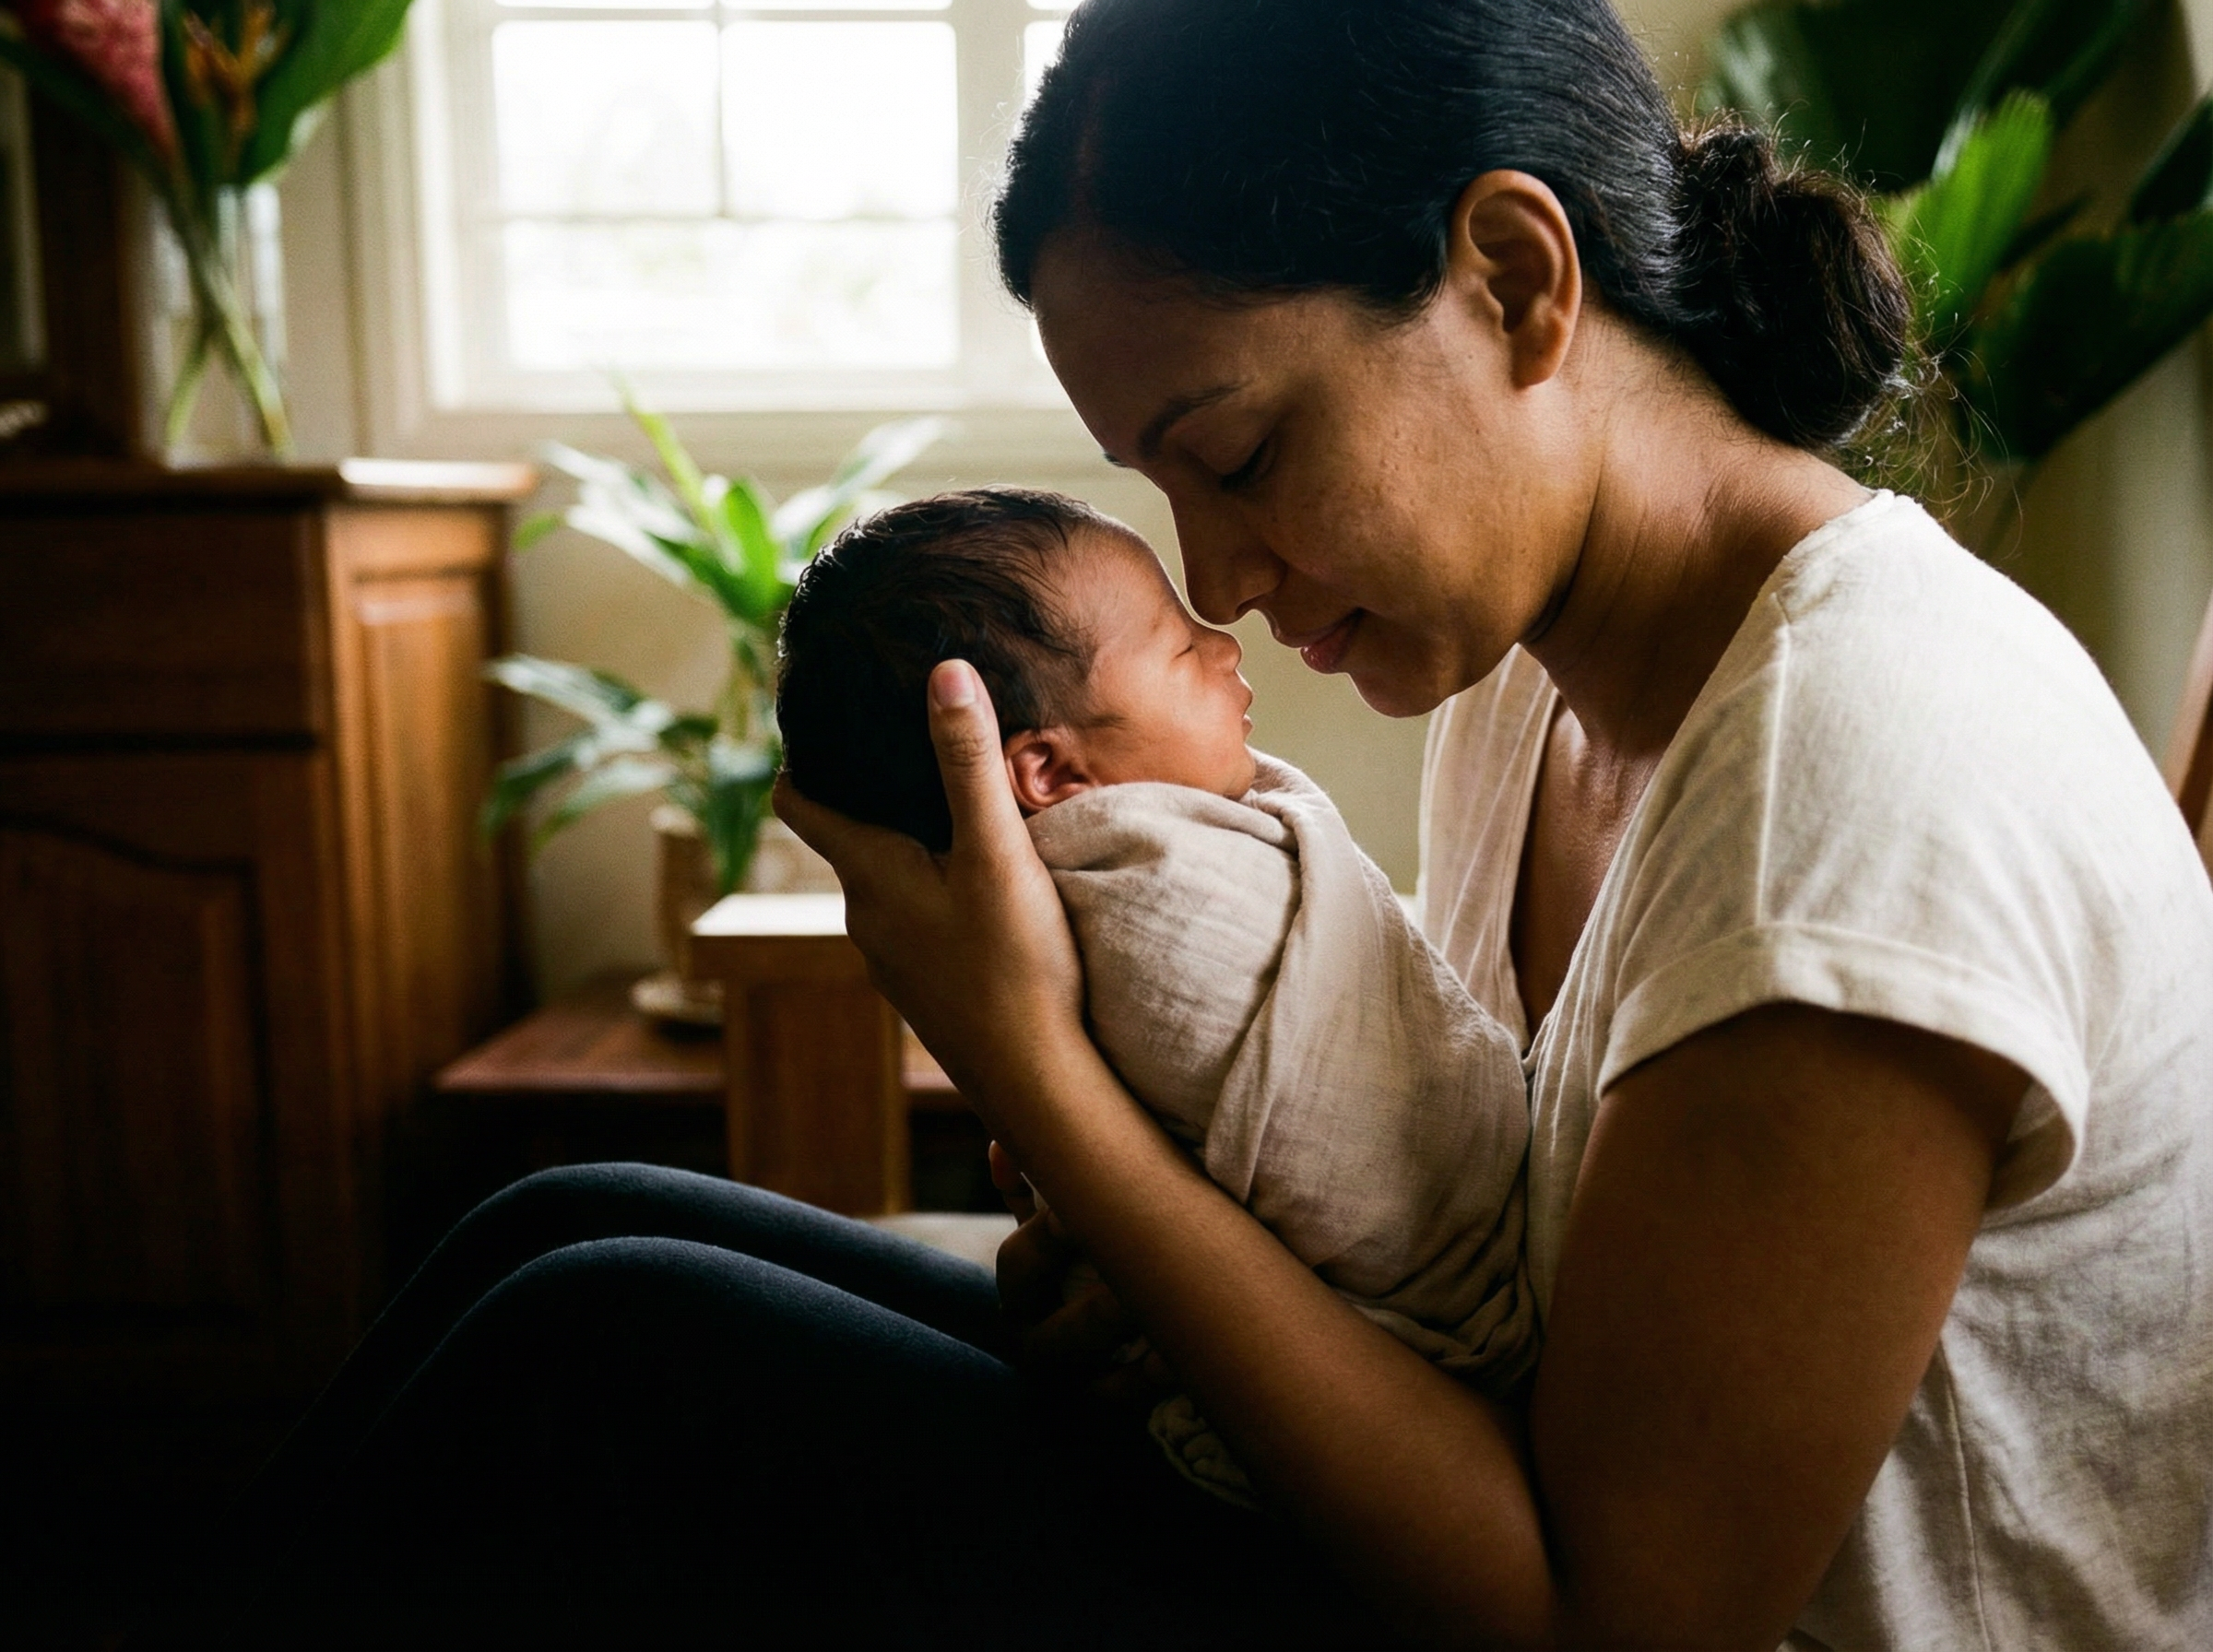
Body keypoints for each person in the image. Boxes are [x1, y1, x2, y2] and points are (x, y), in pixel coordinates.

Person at [240, 1, 2213, 1646]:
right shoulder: (1538, 683)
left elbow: (1609, 1618)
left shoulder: (1851, 772)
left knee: (602, 1352)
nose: (1223, 579)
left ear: (1515, 277)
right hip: (1494, 1486)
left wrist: (1037, 1074)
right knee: (567, 1224)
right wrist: (1163, 1254)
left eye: (1244, 451)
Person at [775, 487, 1537, 1502]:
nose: (1227, 641)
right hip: (1353, 1385)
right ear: (1046, 770)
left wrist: (1035, 1072)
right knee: (566, 1231)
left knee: (589, 1295)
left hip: (1397, 1438)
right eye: (1182, 647)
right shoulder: (1150, 897)